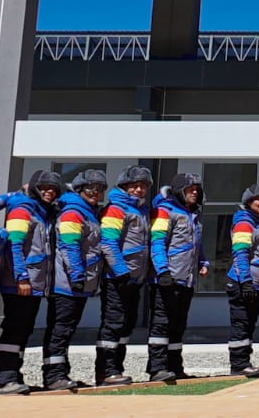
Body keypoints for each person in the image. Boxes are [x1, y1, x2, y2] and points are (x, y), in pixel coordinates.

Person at [0, 170, 61, 395]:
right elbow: (14, 245)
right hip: (21, 283)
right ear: (34, 188)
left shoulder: (42, 211)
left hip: (34, 284)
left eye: (53, 189)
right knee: (14, 329)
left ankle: (15, 376)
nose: (49, 192)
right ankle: (6, 379)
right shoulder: (22, 210)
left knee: (23, 329)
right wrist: (21, 278)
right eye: (44, 188)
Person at [42, 170, 108, 391]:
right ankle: (54, 377)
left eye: (100, 189)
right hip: (67, 285)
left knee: (67, 330)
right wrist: (77, 276)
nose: (95, 193)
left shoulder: (88, 212)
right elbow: (69, 246)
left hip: (79, 284)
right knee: (60, 330)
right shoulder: (73, 213)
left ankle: (61, 373)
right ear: (79, 190)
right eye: (90, 189)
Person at [95, 165, 154, 386]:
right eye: (134, 186)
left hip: (134, 280)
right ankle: (106, 372)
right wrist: (121, 273)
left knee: (126, 325)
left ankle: (117, 368)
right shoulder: (115, 209)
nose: (139, 190)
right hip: (117, 279)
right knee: (113, 323)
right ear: (124, 186)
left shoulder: (141, 210)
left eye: (143, 186)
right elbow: (108, 243)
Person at [147, 173, 206, 383]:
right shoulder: (164, 211)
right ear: (180, 191)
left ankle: (175, 367)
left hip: (186, 280)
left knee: (178, 325)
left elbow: (196, 244)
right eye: (190, 189)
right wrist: (163, 271)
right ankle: (157, 369)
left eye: (197, 189)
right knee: (161, 324)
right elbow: (157, 243)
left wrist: (203, 262)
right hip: (167, 279)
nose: (195, 192)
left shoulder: (193, 214)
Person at [225, 184, 259, 378]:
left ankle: (244, 361)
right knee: (241, 323)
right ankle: (238, 365)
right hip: (243, 283)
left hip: (257, 284)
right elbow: (240, 253)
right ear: (249, 201)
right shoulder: (245, 222)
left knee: (249, 324)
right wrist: (246, 281)